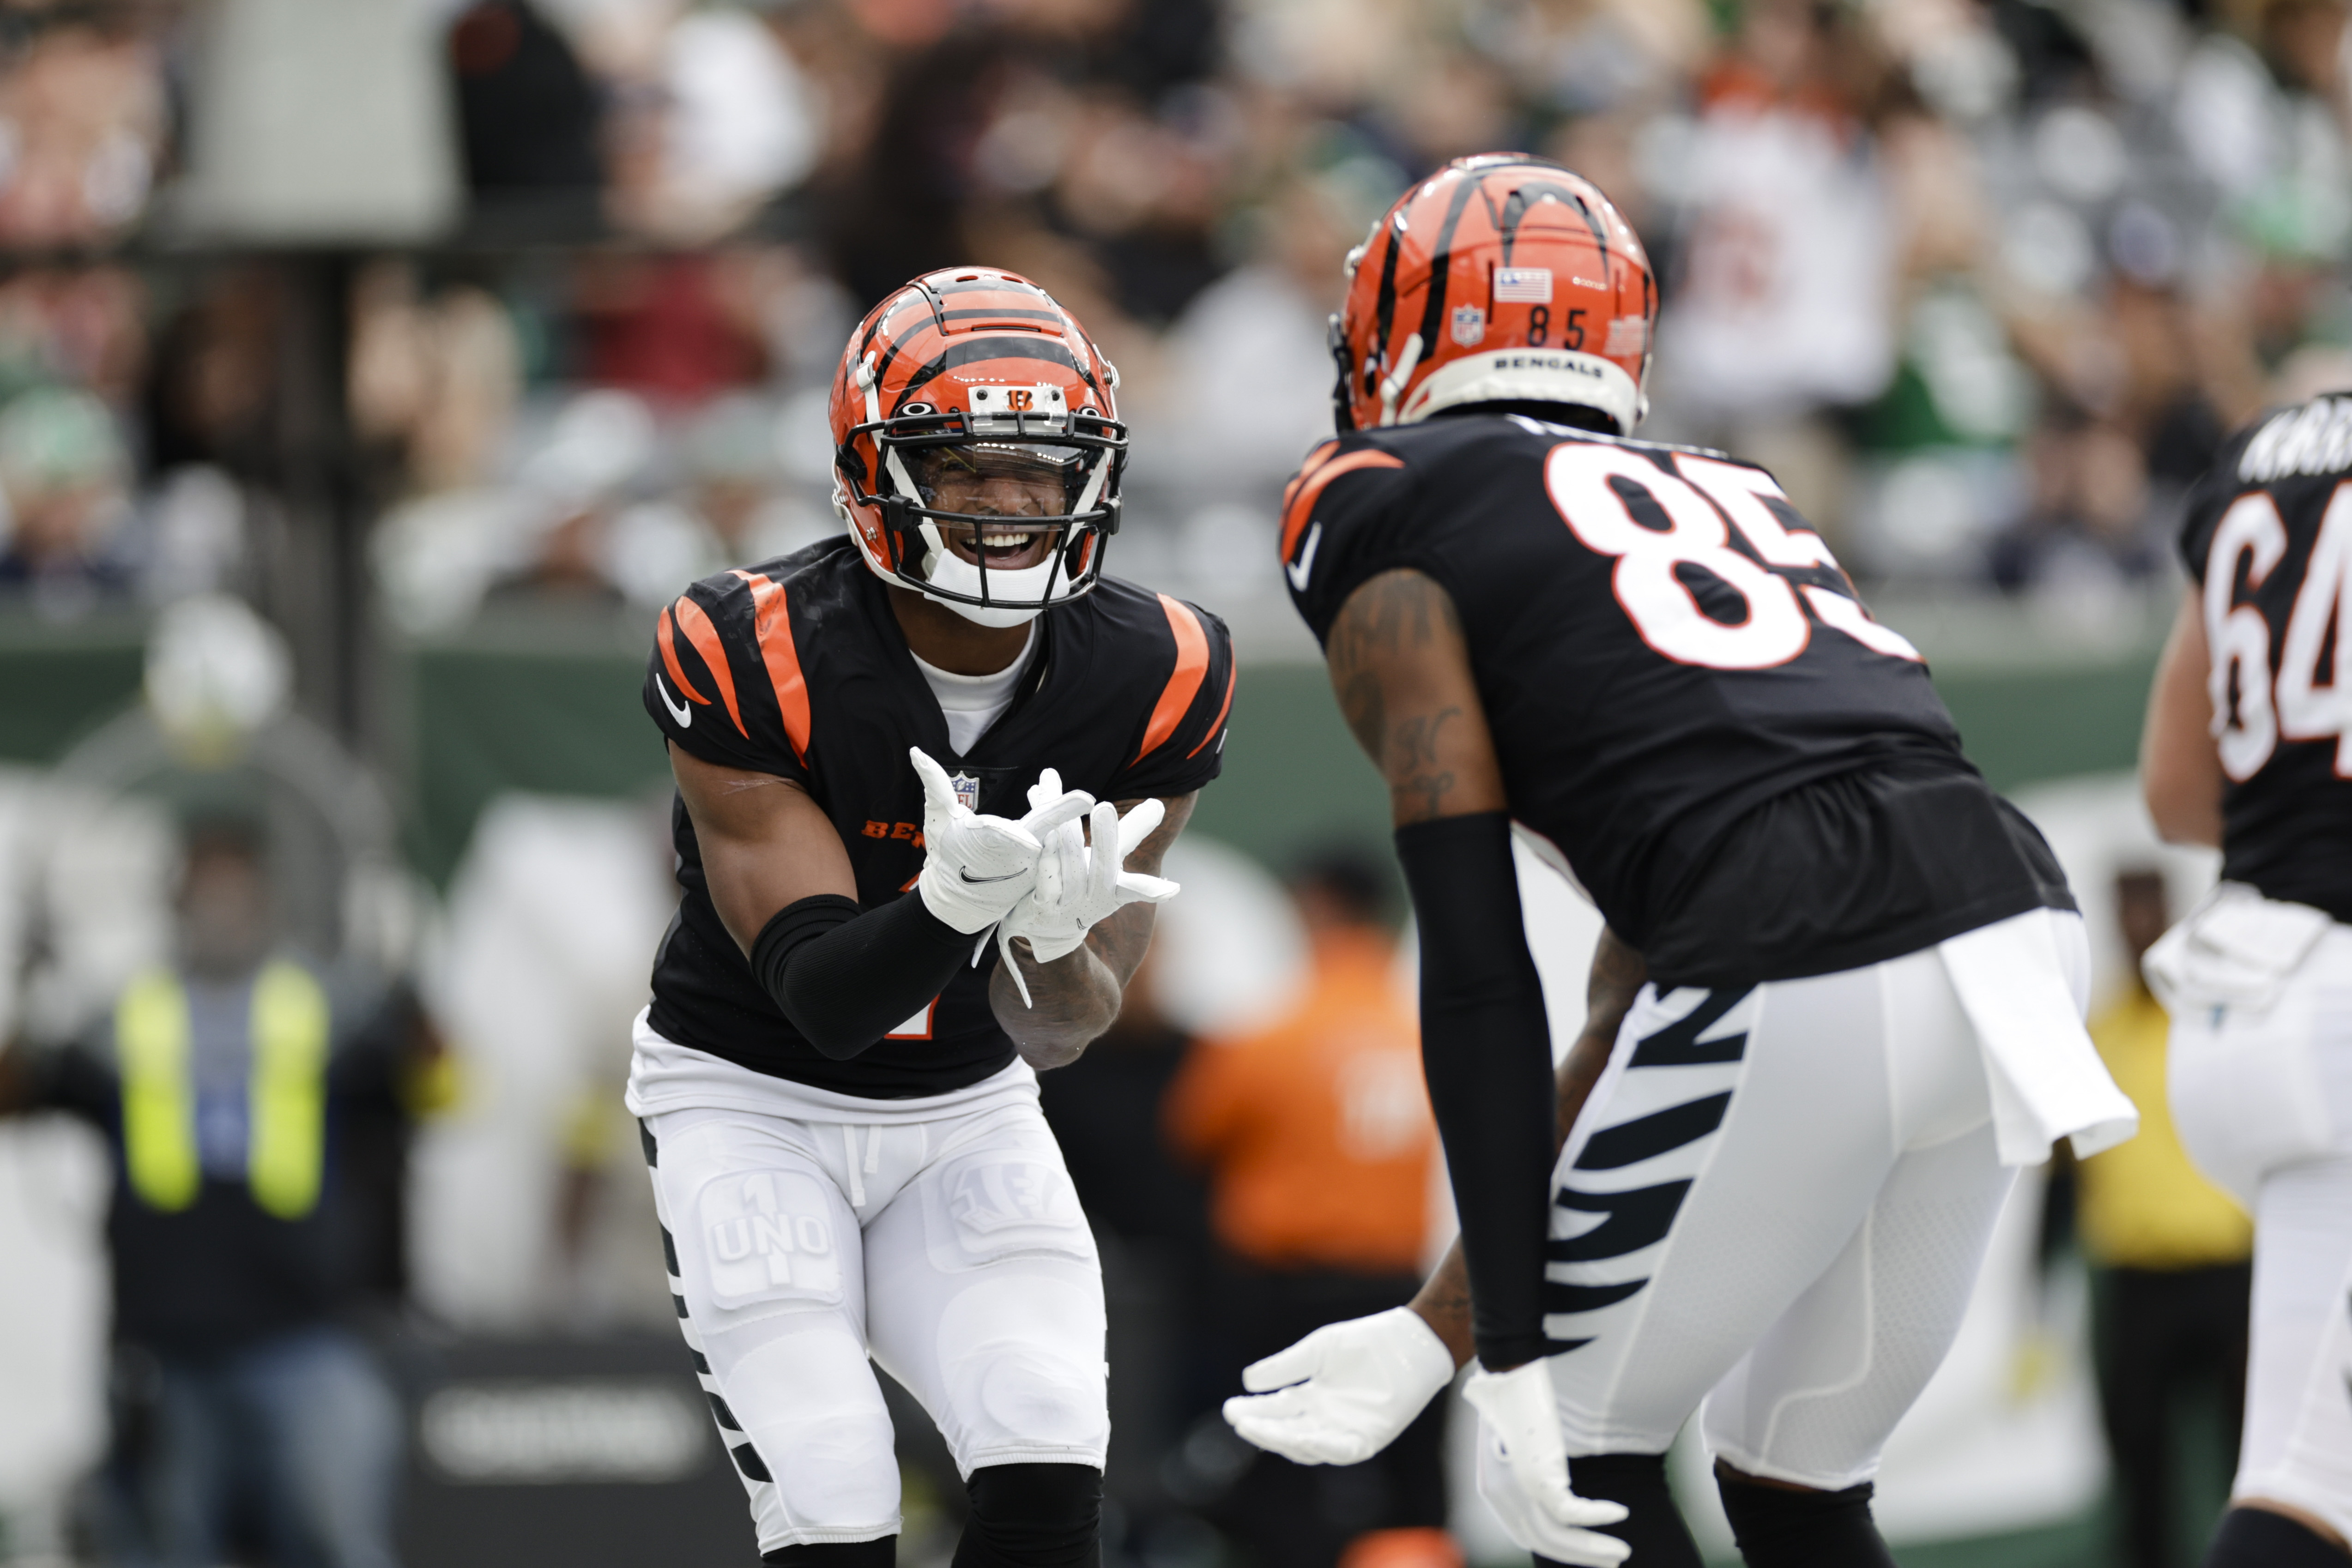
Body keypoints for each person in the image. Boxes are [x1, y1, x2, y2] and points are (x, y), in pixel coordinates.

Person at [1219, 152, 2136, 1568]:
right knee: (1793, 1478)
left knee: (1572, 1458)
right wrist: (1437, 1327)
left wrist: (1506, 1341)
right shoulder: (1727, 482)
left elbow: (1476, 959)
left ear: (1405, 332)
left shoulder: (1376, 496)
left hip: (1798, 945)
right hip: (2010, 924)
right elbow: (1630, 1006)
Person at [628, 266, 1235, 1567]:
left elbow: (1062, 1029)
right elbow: (828, 999)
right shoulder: (750, 643)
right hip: (750, 1098)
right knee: (836, 1485)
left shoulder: (1160, 670)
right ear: (872, 468)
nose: (1014, 506)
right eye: (969, 468)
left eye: (1042, 469)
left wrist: (1051, 939)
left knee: (1046, 1425)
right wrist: (954, 901)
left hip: (963, 1106)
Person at [0, 815, 420, 1568]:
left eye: (236, 886)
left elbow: (435, 1085)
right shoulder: (124, 1020)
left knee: (336, 1537)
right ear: (174, 901)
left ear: (267, 899)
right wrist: (26, 988)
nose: (221, 905)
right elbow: (18, 1092)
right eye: (205, 886)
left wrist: (405, 967)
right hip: (166, 1348)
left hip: (308, 1336)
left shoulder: (329, 1008)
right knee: (167, 1544)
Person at [2140, 386, 2352, 1568]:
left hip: (2248, 988)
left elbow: (2175, 789)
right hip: (2341, 1035)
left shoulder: (2267, 452)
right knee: (2305, 1491)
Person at [1164, 847, 1450, 1568]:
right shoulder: (1426, 1035)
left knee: (1283, 1482)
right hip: (1403, 1290)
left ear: (1316, 907)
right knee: (1411, 1482)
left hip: (1284, 1295)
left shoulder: (1267, 1036)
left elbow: (1192, 1133)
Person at [2076, 869, 2254, 1568]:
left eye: (2151, 905)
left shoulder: (2216, 1022)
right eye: (2128, 908)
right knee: (2140, 1466)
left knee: (2256, 1465)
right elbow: (2065, 1170)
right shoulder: (2098, 1035)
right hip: (2138, 1282)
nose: (2140, 921)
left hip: (2228, 1273)